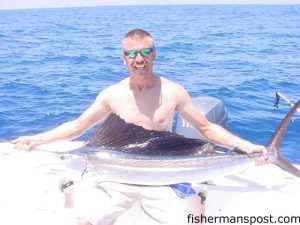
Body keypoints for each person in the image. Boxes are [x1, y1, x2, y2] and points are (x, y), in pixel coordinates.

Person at [12, 29, 267, 225]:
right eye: (132, 53)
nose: (139, 58)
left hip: (165, 178)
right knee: (85, 220)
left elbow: (207, 128)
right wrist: (36, 140)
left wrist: (247, 147)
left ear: (154, 54)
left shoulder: (172, 92)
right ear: (124, 59)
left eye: (145, 52)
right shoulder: (111, 95)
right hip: (114, 180)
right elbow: (79, 126)